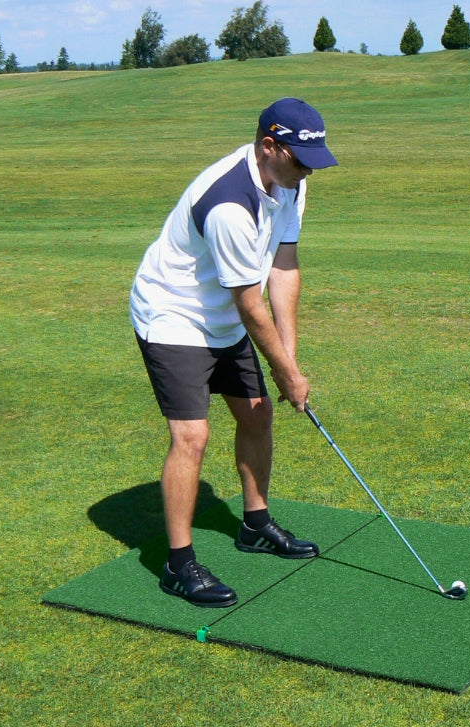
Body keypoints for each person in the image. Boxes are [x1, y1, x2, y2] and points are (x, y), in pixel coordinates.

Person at [130, 98, 338, 607]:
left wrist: (289, 361)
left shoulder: (291, 182)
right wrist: (285, 372)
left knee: (258, 414)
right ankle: (179, 565)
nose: (308, 169)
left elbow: (283, 269)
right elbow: (250, 303)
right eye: (300, 158)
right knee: (192, 436)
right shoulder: (229, 204)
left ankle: (255, 525)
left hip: (221, 313)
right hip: (174, 314)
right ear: (269, 146)